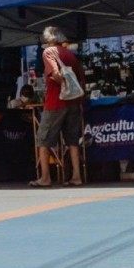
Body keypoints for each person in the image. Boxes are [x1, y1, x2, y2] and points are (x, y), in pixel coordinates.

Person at [33, 26, 84, 187]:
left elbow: (54, 73)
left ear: (48, 39)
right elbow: (81, 77)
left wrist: (64, 85)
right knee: (72, 140)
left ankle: (45, 178)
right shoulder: (70, 54)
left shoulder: (48, 52)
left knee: (43, 139)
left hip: (56, 102)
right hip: (73, 102)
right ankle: (76, 176)